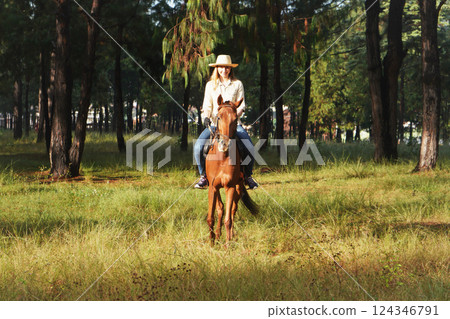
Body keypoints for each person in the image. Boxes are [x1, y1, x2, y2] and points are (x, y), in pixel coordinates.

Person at [194, 55, 258, 190]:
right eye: (222, 67)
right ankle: (203, 176)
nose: (224, 70)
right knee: (199, 146)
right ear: (217, 68)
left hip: (234, 125)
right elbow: (207, 105)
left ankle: (248, 176)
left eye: (227, 67)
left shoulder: (237, 84)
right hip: (214, 124)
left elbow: (242, 106)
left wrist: (234, 117)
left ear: (230, 69)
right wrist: (206, 116)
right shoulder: (210, 85)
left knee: (250, 147)